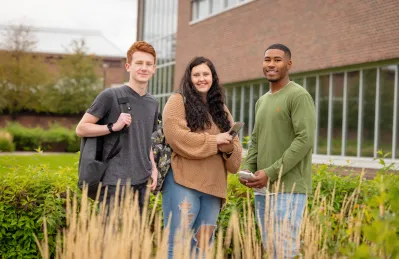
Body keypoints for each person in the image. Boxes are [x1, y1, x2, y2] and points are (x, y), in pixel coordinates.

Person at [239, 44, 316, 258]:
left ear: (289, 64)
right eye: (267, 60)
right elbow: (255, 140)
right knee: (270, 248)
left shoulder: (298, 96)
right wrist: (247, 169)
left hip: (288, 190)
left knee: (284, 251)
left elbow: (305, 139)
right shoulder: (262, 101)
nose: (271, 64)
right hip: (263, 189)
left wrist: (270, 172)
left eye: (277, 60)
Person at [162, 56, 242, 258]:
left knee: (203, 247)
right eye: (196, 75)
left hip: (213, 189)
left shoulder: (221, 109)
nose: (201, 79)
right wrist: (215, 142)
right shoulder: (178, 101)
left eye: (206, 74)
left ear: (213, 77)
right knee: (177, 244)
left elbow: (235, 158)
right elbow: (177, 138)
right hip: (182, 182)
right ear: (189, 79)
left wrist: (228, 147)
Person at [76, 41, 159, 212]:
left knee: (137, 237)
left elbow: (147, 141)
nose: (144, 68)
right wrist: (112, 126)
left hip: (142, 182)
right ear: (128, 66)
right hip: (114, 182)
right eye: (139, 63)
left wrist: (154, 168)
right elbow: (81, 128)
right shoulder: (110, 95)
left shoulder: (153, 103)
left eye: (148, 64)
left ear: (154, 69)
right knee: (109, 237)